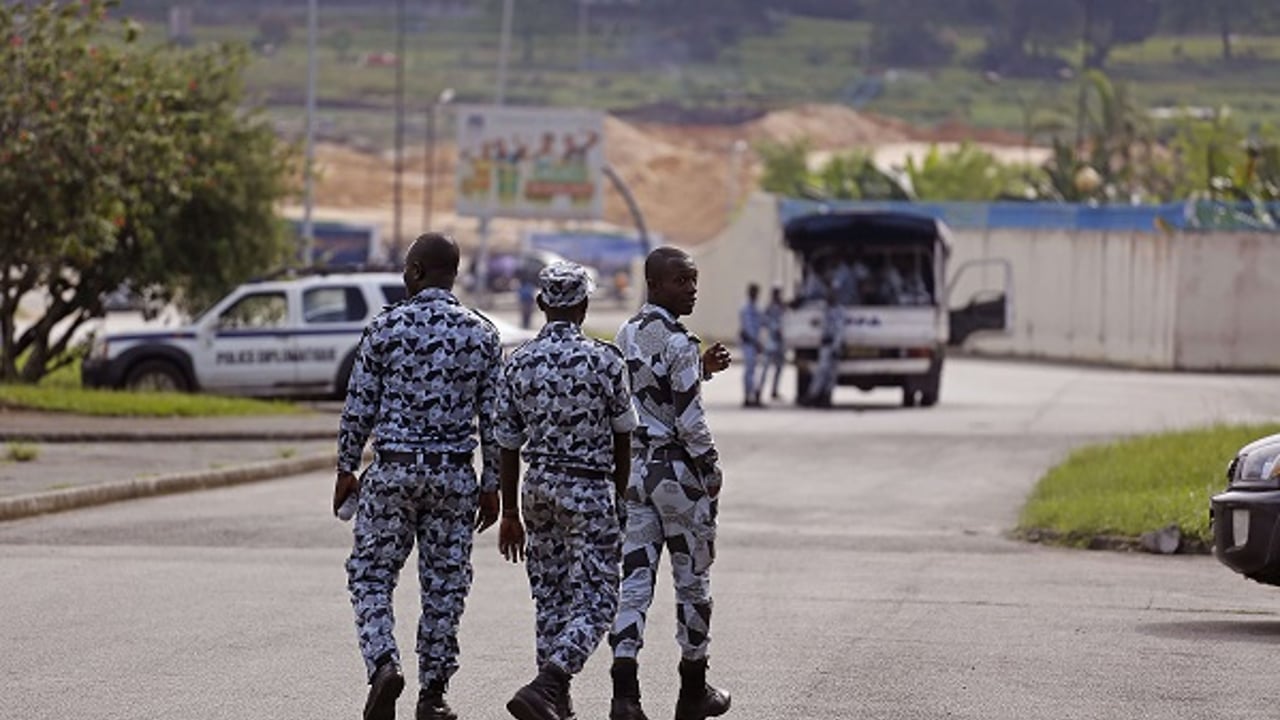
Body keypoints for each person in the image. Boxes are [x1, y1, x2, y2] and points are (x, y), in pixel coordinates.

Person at [333, 232, 503, 720]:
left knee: (370, 575)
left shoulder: (385, 327)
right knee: (445, 586)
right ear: (455, 274)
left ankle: (384, 662)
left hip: (393, 473)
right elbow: (493, 421)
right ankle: (433, 695)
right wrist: (492, 485)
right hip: (453, 479)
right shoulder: (482, 334)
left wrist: (346, 468)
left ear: (416, 272)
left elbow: (358, 408)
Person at [495, 261, 640, 720]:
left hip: (536, 488)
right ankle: (551, 681)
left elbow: (507, 444)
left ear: (541, 304)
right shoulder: (604, 360)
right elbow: (623, 437)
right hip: (590, 488)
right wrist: (619, 500)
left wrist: (511, 513)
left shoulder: (517, 362)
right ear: (583, 305)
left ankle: (556, 705)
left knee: (551, 596)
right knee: (599, 599)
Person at [609, 247, 733, 720]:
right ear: (656, 285)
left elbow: (646, 390)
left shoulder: (626, 333)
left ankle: (625, 696)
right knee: (692, 580)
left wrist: (702, 369)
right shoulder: (681, 341)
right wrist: (713, 470)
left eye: (694, 280)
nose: (692, 289)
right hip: (678, 478)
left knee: (635, 582)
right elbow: (688, 420)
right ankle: (693, 691)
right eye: (682, 281)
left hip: (637, 474)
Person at [806, 288, 845, 408]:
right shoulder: (824, 308)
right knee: (821, 371)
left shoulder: (839, 311)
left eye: (831, 296)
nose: (829, 298)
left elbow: (840, 331)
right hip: (824, 344)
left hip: (832, 344)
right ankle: (814, 396)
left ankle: (826, 397)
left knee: (831, 374)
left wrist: (836, 347)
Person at [758, 285, 786, 402]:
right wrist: (774, 328)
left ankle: (774, 390)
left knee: (779, 368)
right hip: (771, 341)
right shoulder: (769, 308)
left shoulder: (783, 308)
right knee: (765, 367)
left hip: (781, 342)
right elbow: (764, 321)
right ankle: (758, 391)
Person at [738, 283, 763, 407]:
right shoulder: (745, 308)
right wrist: (756, 342)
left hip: (755, 343)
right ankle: (748, 397)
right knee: (749, 370)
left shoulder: (758, 308)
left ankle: (754, 395)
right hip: (748, 343)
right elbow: (747, 328)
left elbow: (761, 325)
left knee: (754, 371)